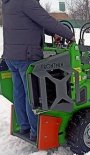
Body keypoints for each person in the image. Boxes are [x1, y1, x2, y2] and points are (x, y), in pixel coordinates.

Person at [2, 0, 75, 141]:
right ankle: (36, 133)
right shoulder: (26, 2)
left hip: (12, 56)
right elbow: (45, 19)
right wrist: (69, 35)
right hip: (26, 56)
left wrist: (53, 33)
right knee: (33, 95)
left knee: (20, 93)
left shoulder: (8, 3)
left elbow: (34, 22)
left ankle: (24, 126)